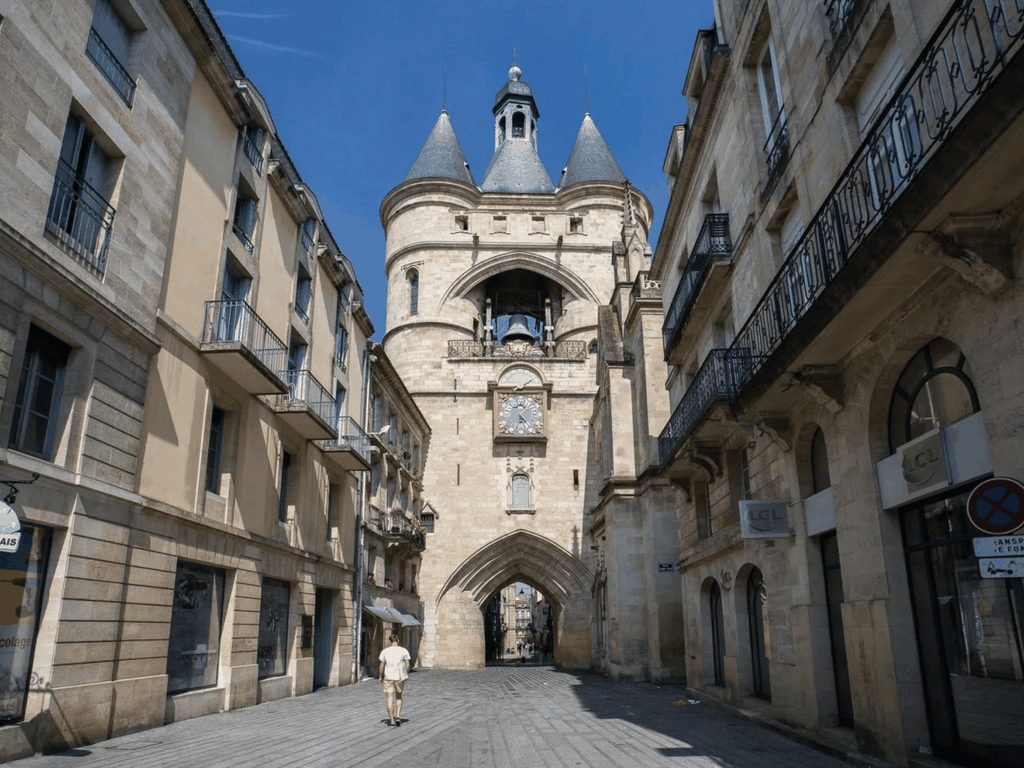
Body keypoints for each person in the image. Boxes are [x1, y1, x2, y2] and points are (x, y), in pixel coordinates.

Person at [378, 632, 411, 728]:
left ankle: (392, 721)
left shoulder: (385, 651)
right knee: (399, 697)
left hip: (388, 677)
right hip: (400, 677)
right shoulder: (403, 650)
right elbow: (407, 664)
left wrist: (380, 676)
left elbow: (381, 665)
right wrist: (406, 674)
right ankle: (398, 716)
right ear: (398, 640)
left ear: (390, 641)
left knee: (389, 699)